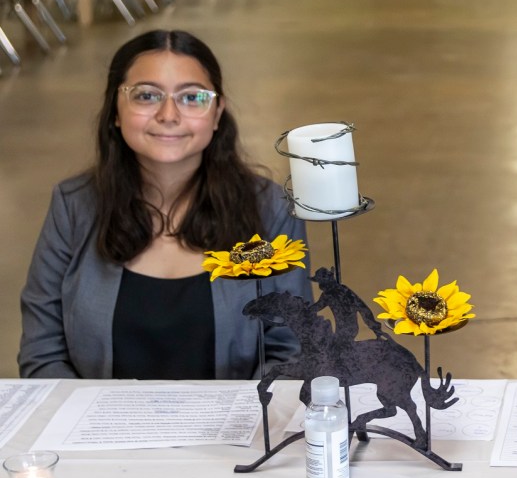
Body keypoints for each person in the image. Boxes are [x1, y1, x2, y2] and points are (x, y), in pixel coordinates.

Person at [18, 29, 312, 380]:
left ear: (217, 113)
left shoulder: (269, 210)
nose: (169, 114)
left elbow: (292, 349)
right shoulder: (73, 206)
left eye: (191, 97)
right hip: (102, 432)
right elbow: (43, 355)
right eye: (146, 96)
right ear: (115, 110)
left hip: (233, 431)